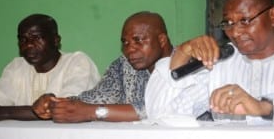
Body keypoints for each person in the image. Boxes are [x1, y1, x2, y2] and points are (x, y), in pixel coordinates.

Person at [145, 0, 274, 125]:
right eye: (228, 24)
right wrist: (182, 54)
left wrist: (264, 107)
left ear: (273, 16)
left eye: (244, 21)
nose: (235, 32)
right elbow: (163, 114)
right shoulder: (221, 61)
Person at [32, 11, 173, 122]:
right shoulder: (124, 65)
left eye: (138, 40)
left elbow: (158, 109)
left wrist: (93, 112)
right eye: (125, 42)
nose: (129, 49)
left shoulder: (187, 65)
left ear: (161, 40)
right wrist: (56, 104)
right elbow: (96, 97)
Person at [0, 14, 101, 120]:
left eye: (36, 38)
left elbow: (65, 109)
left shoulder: (77, 62)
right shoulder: (16, 66)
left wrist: (6, 113)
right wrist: (40, 110)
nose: (28, 45)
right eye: (23, 40)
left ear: (56, 40)